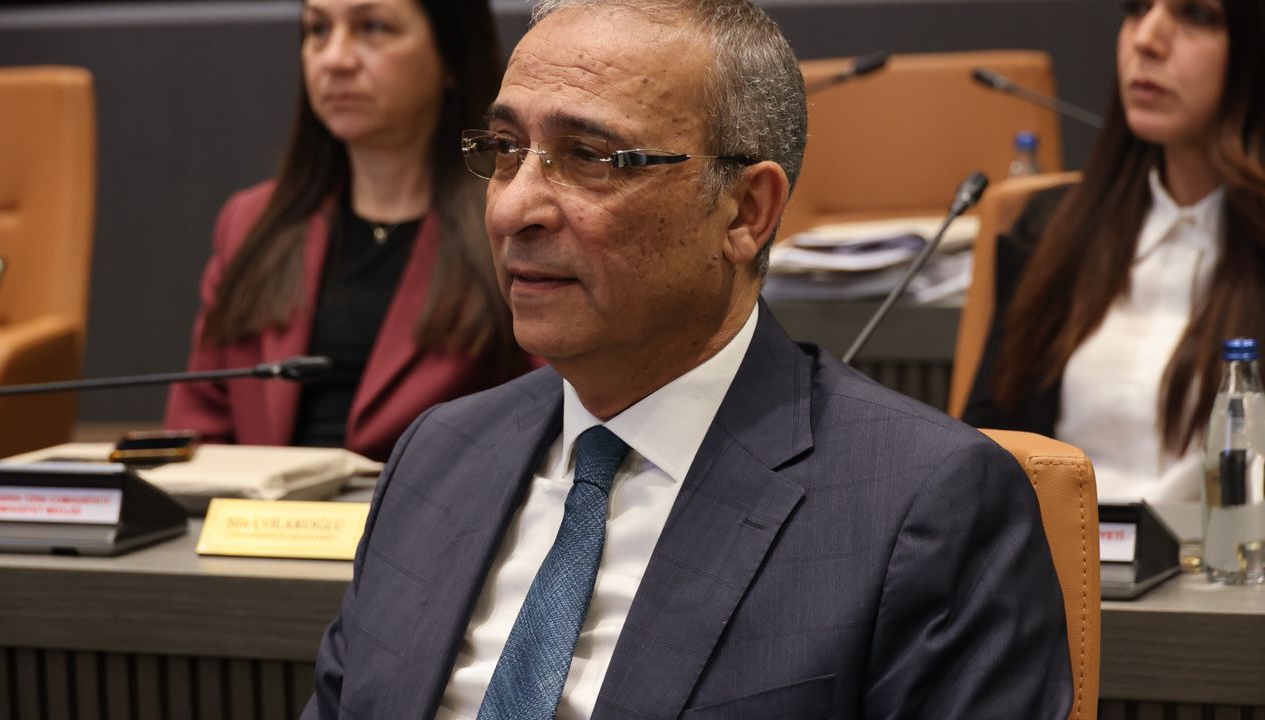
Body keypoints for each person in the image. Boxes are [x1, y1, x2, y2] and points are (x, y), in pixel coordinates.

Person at [304, 1, 1072, 717]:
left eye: (589, 157)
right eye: (505, 150)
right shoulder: (436, 457)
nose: (511, 209)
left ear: (746, 212)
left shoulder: (924, 506)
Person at [165, 0, 532, 461]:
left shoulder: (512, 221)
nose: (335, 59)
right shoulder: (250, 222)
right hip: (257, 507)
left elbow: (547, 420)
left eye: (373, 27)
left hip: (439, 505)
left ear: (451, 55)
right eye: (318, 30)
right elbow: (198, 430)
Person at [964, 0, 1265, 502]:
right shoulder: (1050, 230)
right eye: (1137, 8)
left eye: (1196, 16)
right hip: (1062, 548)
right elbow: (984, 448)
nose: (1147, 39)